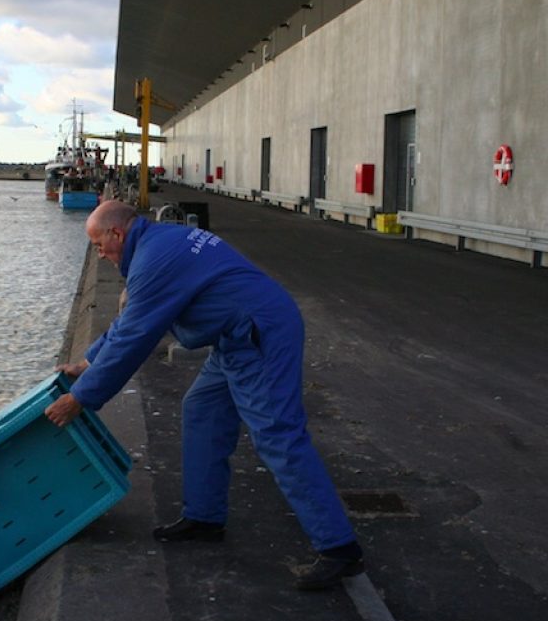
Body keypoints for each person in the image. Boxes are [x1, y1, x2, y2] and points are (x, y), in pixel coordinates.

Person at [44, 200, 363, 591]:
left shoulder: (154, 259)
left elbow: (133, 339)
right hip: (236, 336)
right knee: (202, 409)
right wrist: (88, 362)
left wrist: (81, 399)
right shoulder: (157, 244)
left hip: (259, 334)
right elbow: (130, 321)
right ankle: (205, 517)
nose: (99, 253)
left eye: (98, 244)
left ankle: (339, 548)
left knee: (278, 436)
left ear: (117, 234)